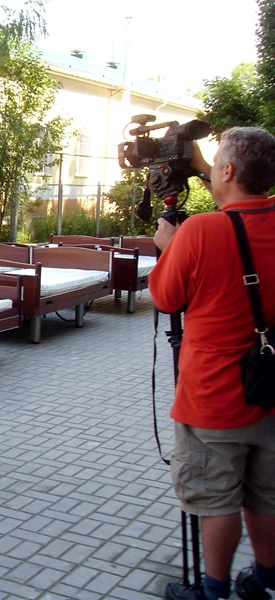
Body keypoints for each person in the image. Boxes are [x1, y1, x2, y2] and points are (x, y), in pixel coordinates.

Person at [149, 127, 275, 600]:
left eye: (217, 161)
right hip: (271, 391)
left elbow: (166, 297)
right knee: (267, 495)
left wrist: (170, 246)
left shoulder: (201, 231)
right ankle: (263, 580)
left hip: (214, 399)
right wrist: (204, 168)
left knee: (217, 499)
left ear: (228, 170)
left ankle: (214, 590)